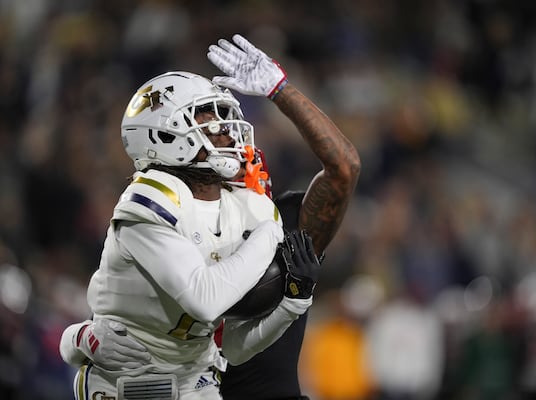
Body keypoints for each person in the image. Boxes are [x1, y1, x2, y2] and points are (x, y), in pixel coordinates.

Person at [60, 34, 361, 400]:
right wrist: (77, 339)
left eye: (227, 123)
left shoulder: (268, 216)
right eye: (213, 123)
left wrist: (279, 89)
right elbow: (140, 306)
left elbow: (343, 167)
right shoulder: (163, 201)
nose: (229, 135)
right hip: (160, 386)